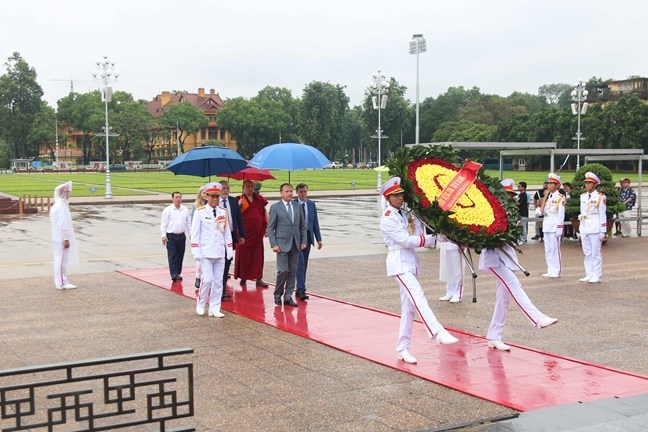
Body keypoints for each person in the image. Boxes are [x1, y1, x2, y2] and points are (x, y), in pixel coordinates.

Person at [379, 177, 458, 365]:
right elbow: (406, 240)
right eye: (395, 195)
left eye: (401, 194)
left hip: (410, 262)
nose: (400, 198)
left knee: (408, 309)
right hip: (399, 262)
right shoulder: (388, 218)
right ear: (388, 198)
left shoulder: (405, 214)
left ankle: (402, 348)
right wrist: (432, 240)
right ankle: (437, 331)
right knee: (418, 295)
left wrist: (432, 227)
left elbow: (417, 234)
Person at [479, 243, 559, 351]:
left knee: (503, 299)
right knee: (514, 285)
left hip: (507, 256)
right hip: (492, 259)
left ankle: (494, 336)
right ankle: (537, 318)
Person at [190, 182, 232, 318]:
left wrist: (229, 249)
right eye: (212, 196)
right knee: (207, 280)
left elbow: (226, 232)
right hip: (206, 252)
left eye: (217, 196)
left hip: (219, 251)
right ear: (207, 196)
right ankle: (201, 304)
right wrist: (196, 251)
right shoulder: (200, 212)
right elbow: (195, 233)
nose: (215, 199)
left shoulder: (223, 212)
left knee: (219, 282)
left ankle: (215, 307)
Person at [268, 183, 307, 307]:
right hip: (281, 244)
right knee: (283, 270)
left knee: (292, 271)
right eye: (286, 191)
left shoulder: (297, 206)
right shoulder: (275, 207)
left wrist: (303, 241)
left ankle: (288, 296)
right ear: (281, 193)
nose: (289, 193)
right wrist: (274, 244)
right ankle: (277, 293)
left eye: (291, 191)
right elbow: (271, 228)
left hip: (295, 243)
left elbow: (302, 226)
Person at [234, 180, 269, 287]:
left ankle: (259, 278)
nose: (250, 189)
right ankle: (243, 278)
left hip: (257, 233)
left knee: (258, 257)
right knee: (244, 256)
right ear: (243, 188)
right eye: (247, 186)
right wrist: (238, 206)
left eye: (251, 186)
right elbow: (235, 217)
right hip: (244, 234)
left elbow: (264, 212)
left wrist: (267, 226)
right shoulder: (239, 199)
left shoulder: (258, 199)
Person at [294, 183, 323, 301]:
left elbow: (315, 222)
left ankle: (299, 287)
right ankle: (301, 289)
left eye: (305, 191)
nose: (303, 194)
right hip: (297, 237)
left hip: (308, 236)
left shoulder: (311, 204)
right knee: (300, 263)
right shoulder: (293, 204)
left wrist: (319, 238)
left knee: (304, 264)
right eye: (301, 192)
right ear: (297, 192)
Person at [578, 172, 607, 284]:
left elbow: (602, 214)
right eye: (586, 183)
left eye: (589, 183)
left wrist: (603, 230)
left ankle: (597, 274)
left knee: (596, 252)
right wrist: (581, 227)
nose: (587, 185)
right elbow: (582, 211)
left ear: (595, 185)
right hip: (585, 225)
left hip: (595, 226)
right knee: (587, 252)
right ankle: (589, 273)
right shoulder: (583, 196)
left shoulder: (600, 197)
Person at [50, 181, 79, 289]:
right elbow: (63, 224)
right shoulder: (61, 206)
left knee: (59, 259)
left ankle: (60, 281)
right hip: (61, 238)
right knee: (62, 260)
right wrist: (66, 239)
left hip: (57, 237)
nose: (68, 195)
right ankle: (62, 282)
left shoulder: (56, 205)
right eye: (67, 193)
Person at [537, 173, 565, 278]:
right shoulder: (548, 197)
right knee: (548, 248)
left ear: (557, 185)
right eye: (548, 183)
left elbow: (561, 214)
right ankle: (550, 269)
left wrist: (559, 228)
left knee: (555, 249)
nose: (549, 185)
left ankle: (557, 270)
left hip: (554, 224)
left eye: (551, 184)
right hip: (547, 224)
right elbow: (543, 211)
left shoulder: (560, 197)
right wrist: (543, 203)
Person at [160, 191, 191, 282]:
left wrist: (191, 235)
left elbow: (189, 223)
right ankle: (174, 273)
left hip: (181, 236)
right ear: (172, 199)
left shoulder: (185, 210)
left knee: (180, 255)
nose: (178, 199)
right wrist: (163, 235)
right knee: (172, 255)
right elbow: (164, 224)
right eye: (176, 197)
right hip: (171, 236)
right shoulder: (168, 210)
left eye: (179, 197)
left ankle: (178, 272)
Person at [191, 186, 207, 289]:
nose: (205, 195)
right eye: (203, 193)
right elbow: (193, 222)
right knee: (200, 259)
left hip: (207, 235)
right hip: (200, 236)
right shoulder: (196, 206)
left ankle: (205, 276)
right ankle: (198, 277)